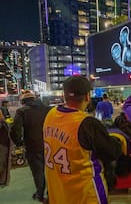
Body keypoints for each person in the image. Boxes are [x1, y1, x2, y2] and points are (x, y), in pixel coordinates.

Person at [43, 75, 124, 204]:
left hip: (58, 191)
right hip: (85, 194)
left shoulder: (51, 114)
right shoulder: (86, 123)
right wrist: (119, 138)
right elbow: (111, 152)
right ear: (87, 96)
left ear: (65, 96)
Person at [10, 90, 51, 203]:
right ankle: (51, 193)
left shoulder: (22, 111)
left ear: (23, 101)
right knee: (51, 170)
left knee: (38, 172)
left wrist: (19, 143)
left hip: (33, 146)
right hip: (50, 145)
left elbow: (15, 130)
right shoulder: (48, 109)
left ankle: (40, 195)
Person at [0, 111, 10, 186]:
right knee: (3, 163)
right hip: (3, 144)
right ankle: (2, 181)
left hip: (4, 143)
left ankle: (2, 180)